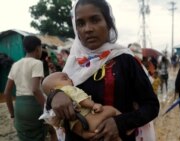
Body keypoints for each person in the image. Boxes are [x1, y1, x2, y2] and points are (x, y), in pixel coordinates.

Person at [49, 0, 160, 141]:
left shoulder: (126, 60)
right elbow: (54, 93)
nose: (87, 29)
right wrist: (55, 97)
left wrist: (119, 123)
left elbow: (151, 106)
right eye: (80, 23)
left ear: (108, 23)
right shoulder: (73, 63)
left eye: (95, 20)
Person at [40, 72, 125, 140]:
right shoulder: (67, 89)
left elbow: (60, 123)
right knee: (110, 109)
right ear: (53, 90)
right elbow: (81, 99)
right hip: (90, 118)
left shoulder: (54, 107)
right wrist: (93, 105)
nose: (71, 79)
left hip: (80, 126)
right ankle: (127, 126)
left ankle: (85, 134)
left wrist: (82, 133)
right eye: (65, 78)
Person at [4, 36, 49, 141]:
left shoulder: (15, 65)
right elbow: (35, 89)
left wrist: (12, 114)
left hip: (19, 107)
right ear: (38, 49)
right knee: (40, 134)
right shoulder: (37, 63)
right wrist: (47, 110)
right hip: (33, 105)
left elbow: (7, 92)